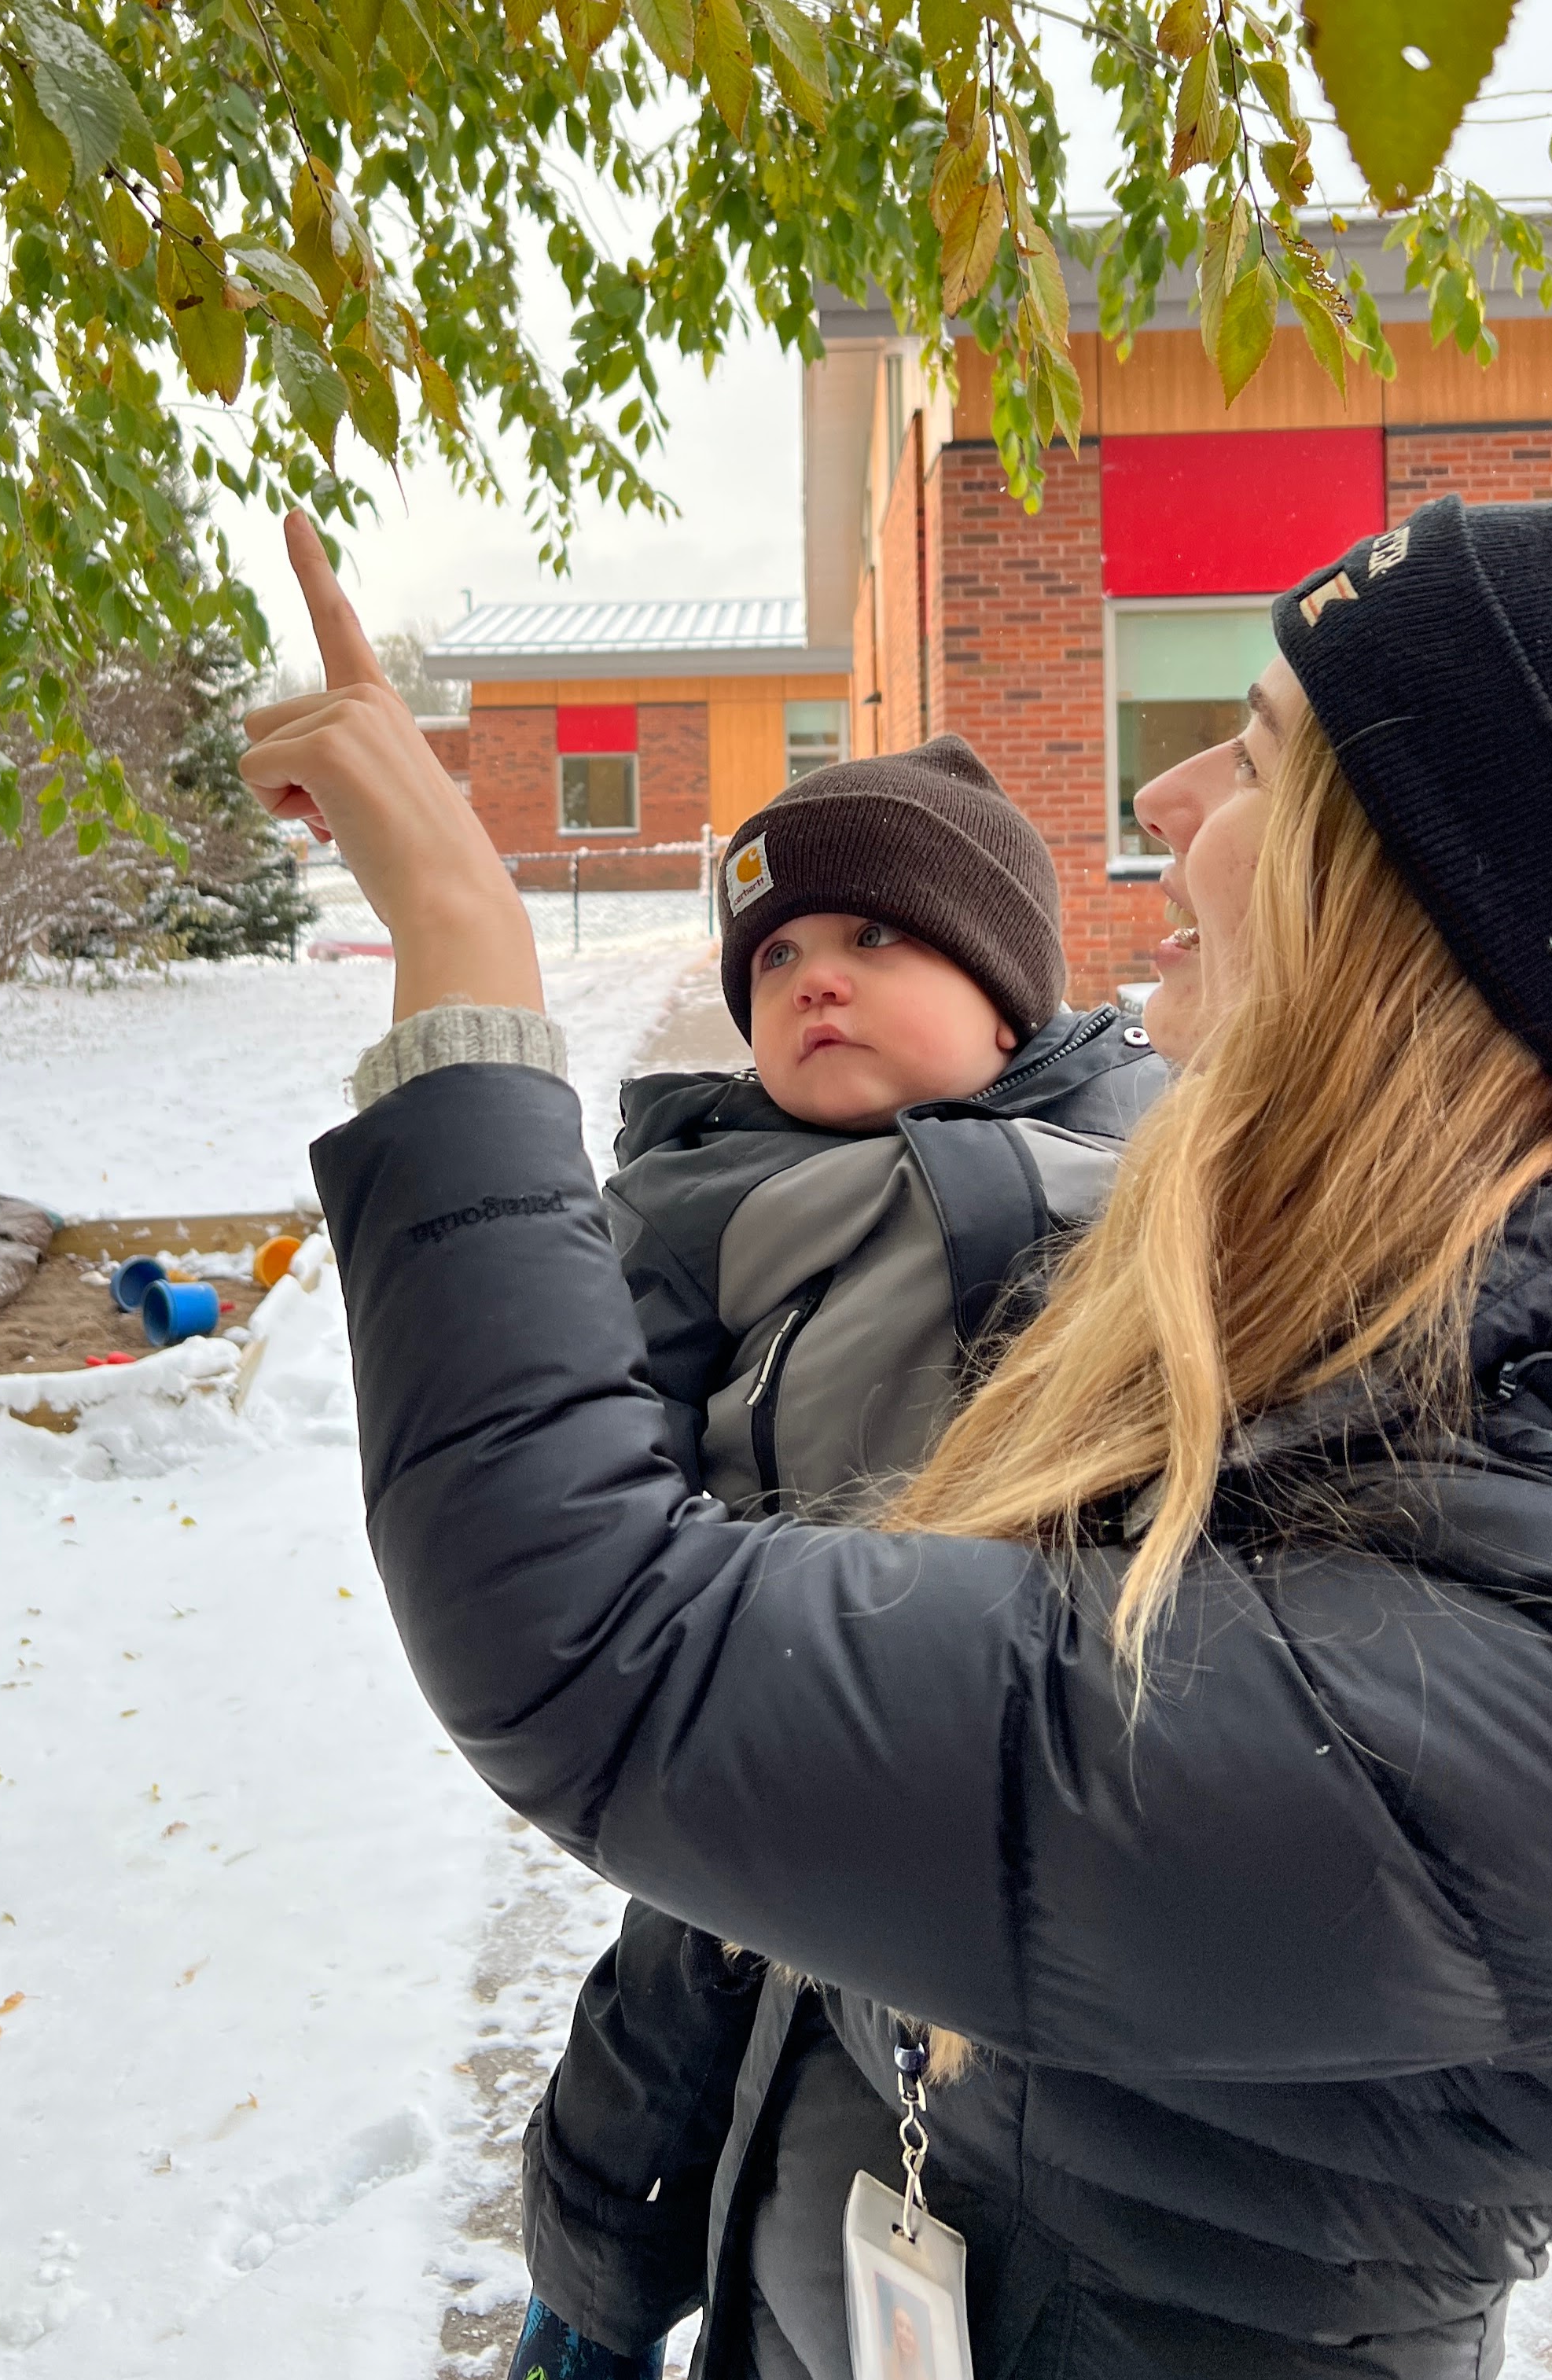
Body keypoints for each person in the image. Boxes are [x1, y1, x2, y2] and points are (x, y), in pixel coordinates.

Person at [243, 493, 1552, 2378]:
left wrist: (461, 953)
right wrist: (612, 2256)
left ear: (1427, 904)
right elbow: (784, 1888)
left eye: (1250, 755)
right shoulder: (1328, 1326)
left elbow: (608, 1641)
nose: (1162, 799)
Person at [509, 743, 1168, 2380]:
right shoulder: (690, 1198)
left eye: (875, 939)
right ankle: (579, 2316)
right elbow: (595, 1469)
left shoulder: (1159, 1168)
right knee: (663, 2040)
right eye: (778, 958)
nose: (814, 982)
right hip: (760, 1722)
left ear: (1008, 991)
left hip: (1049, 1761)